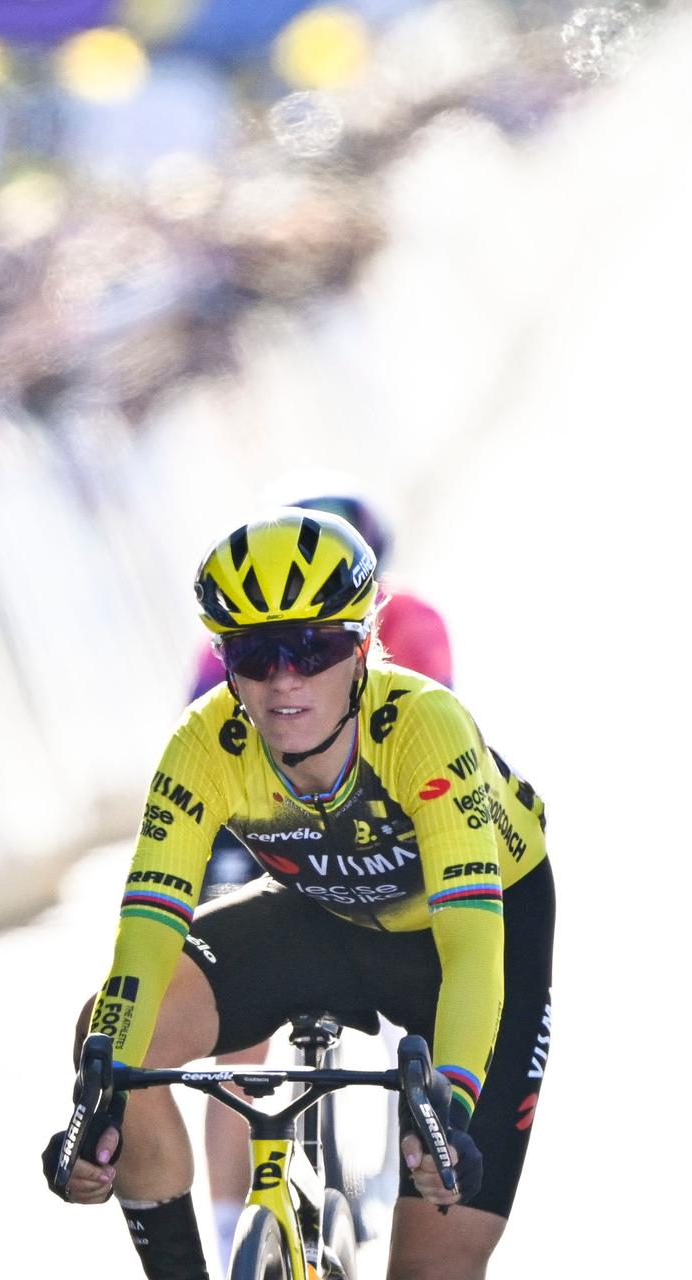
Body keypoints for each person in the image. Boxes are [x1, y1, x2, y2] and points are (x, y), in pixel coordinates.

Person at [46, 509, 553, 1280]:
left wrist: (447, 1100)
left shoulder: (423, 726)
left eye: (312, 646)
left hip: (473, 939)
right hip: (325, 912)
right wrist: (99, 1102)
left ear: (360, 649)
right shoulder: (202, 745)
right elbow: (143, 943)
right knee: (111, 1042)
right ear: (225, 660)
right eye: (255, 653)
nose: (284, 677)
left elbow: (474, 952)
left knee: (432, 1267)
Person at [183, 489, 454, 1267]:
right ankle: (245, 1227)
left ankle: (231, 1225)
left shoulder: (228, 648)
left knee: (239, 1048)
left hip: (271, 826)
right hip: (284, 825)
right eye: (265, 652)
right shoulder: (407, 622)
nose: (286, 668)